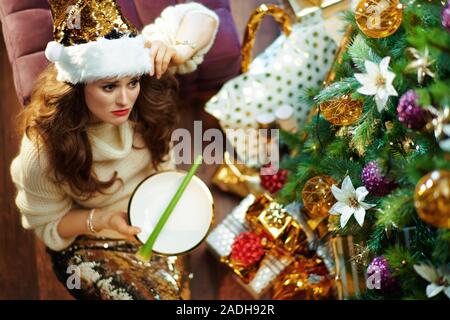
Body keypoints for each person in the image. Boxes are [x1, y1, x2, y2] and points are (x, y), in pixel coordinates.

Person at [9, 0, 219, 300]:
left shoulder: (137, 67)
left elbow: (201, 17)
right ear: (77, 86)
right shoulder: (42, 150)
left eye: (132, 82)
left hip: (154, 211)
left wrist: (179, 49)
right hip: (93, 235)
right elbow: (48, 222)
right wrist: (103, 219)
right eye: (109, 87)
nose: (125, 100)